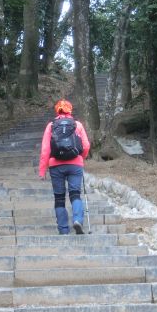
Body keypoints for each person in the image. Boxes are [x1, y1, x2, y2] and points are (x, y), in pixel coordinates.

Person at [39, 99, 90, 234]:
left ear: (57, 110)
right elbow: (86, 145)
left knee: (59, 198)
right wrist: (81, 157)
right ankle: (77, 219)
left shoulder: (51, 126)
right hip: (75, 164)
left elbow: (45, 149)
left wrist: (42, 170)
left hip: (56, 165)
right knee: (75, 194)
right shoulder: (77, 125)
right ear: (70, 110)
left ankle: (63, 230)